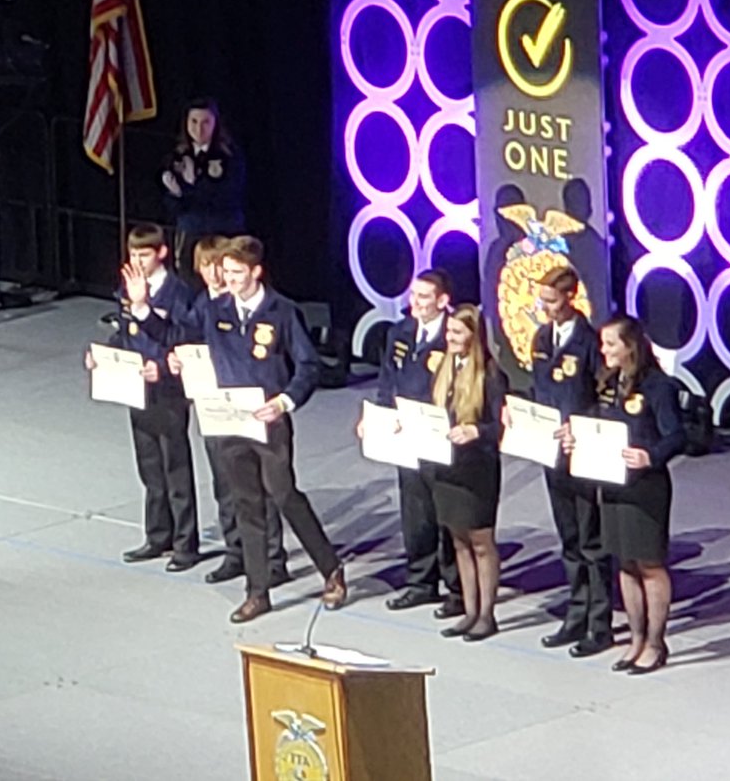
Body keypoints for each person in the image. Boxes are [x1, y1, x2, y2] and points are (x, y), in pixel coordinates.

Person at [156, 235, 345, 623]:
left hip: (269, 419)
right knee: (246, 503)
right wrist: (172, 356)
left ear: (256, 272)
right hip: (229, 419)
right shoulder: (214, 308)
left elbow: (308, 366)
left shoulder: (282, 311)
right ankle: (257, 592)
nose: (228, 279)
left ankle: (331, 568)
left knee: (284, 494)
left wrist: (284, 401)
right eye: (225, 271)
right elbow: (179, 335)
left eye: (237, 272)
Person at [561, 315, 685, 674]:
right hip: (612, 483)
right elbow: (594, 422)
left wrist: (651, 456)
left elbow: (676, 436)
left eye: (611, 344)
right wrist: (575, 437)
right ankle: (636, 638)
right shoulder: (608, 382)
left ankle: (656, 643)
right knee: (626, 564)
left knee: (649, 564)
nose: (604, 350)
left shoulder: (658, 385)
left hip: (645, 489)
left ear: (630, 346)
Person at [89, 223, 199, 571]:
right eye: (133, 254)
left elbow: (181, 338)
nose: (137, 261)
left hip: (169, 391)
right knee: (150, 466)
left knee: (175, 467)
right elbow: (126, 333)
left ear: (161, 253)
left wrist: (161, 366)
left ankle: (185, 544)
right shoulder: (128, 287)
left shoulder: (178, 292)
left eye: (144, 255)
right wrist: (104, 355)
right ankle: (157, 536)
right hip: (136, 387)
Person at [358, 269, 463, 618]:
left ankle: (457, 589)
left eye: (423, 297)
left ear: (443, 301)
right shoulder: (400, 332)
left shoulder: (454, 336)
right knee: (415, 512)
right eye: (413, 295)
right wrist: (379, 416)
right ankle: (421, 582)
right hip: (407, 435)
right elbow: (388, 379)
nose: (414, 302)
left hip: (441, 435)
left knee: (446, 513)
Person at [189, 236, 289, 587]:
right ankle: (237, 553)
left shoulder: (271, 309)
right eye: (213, 268)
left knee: (265, 487)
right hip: (216, 406)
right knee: (226, 483)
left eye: (229, 270)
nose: (221, 276)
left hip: (256, 408)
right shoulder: (207, 307)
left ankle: (273, 559)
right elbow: (182, 335)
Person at [526, 266, 612, 657]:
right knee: (569, 538)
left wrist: (580, 425)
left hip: (583, 450)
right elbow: (539, 389)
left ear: (571, 298)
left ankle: (600, 623)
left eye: (551, 301)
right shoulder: (542, 338)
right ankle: (576, 614)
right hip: (551, 451)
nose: (544, 307)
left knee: (591, 539)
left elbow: (603, 396)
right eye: (542, 300)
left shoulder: (589, 341)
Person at [423, 304, 508, 642]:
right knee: (459, 540)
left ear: (474, 336)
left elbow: (501, 426)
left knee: (481, 542)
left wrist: (476, 431)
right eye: (449, 331)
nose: (450, 338)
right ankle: (469, 611)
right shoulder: (443, 367)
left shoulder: (491, 374)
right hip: (447, 466)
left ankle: (486, 614)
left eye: (457, 332)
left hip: (477, 470)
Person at [158, 97, 245, 278]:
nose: (199, 129)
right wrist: (176, 194)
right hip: (191, 231)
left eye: (206, 122)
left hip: (223, 231)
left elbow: (227, 196)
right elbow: (170, 205)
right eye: (194, 122)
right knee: (188, 280)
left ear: (215, 123)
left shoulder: (229, 155)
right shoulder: (177, 156)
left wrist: (190, 188)